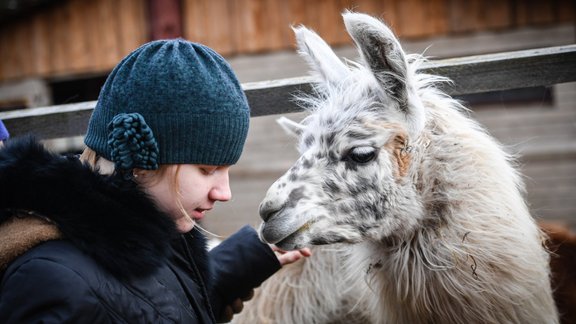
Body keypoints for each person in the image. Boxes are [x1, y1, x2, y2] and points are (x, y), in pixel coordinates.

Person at [0, 39, 310, 323]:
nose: (224, 192)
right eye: (206, 168)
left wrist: (247, 259)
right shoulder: (49, 284)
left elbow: (152, 305)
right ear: (138, 159)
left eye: (227, 169)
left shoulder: (152, 230)